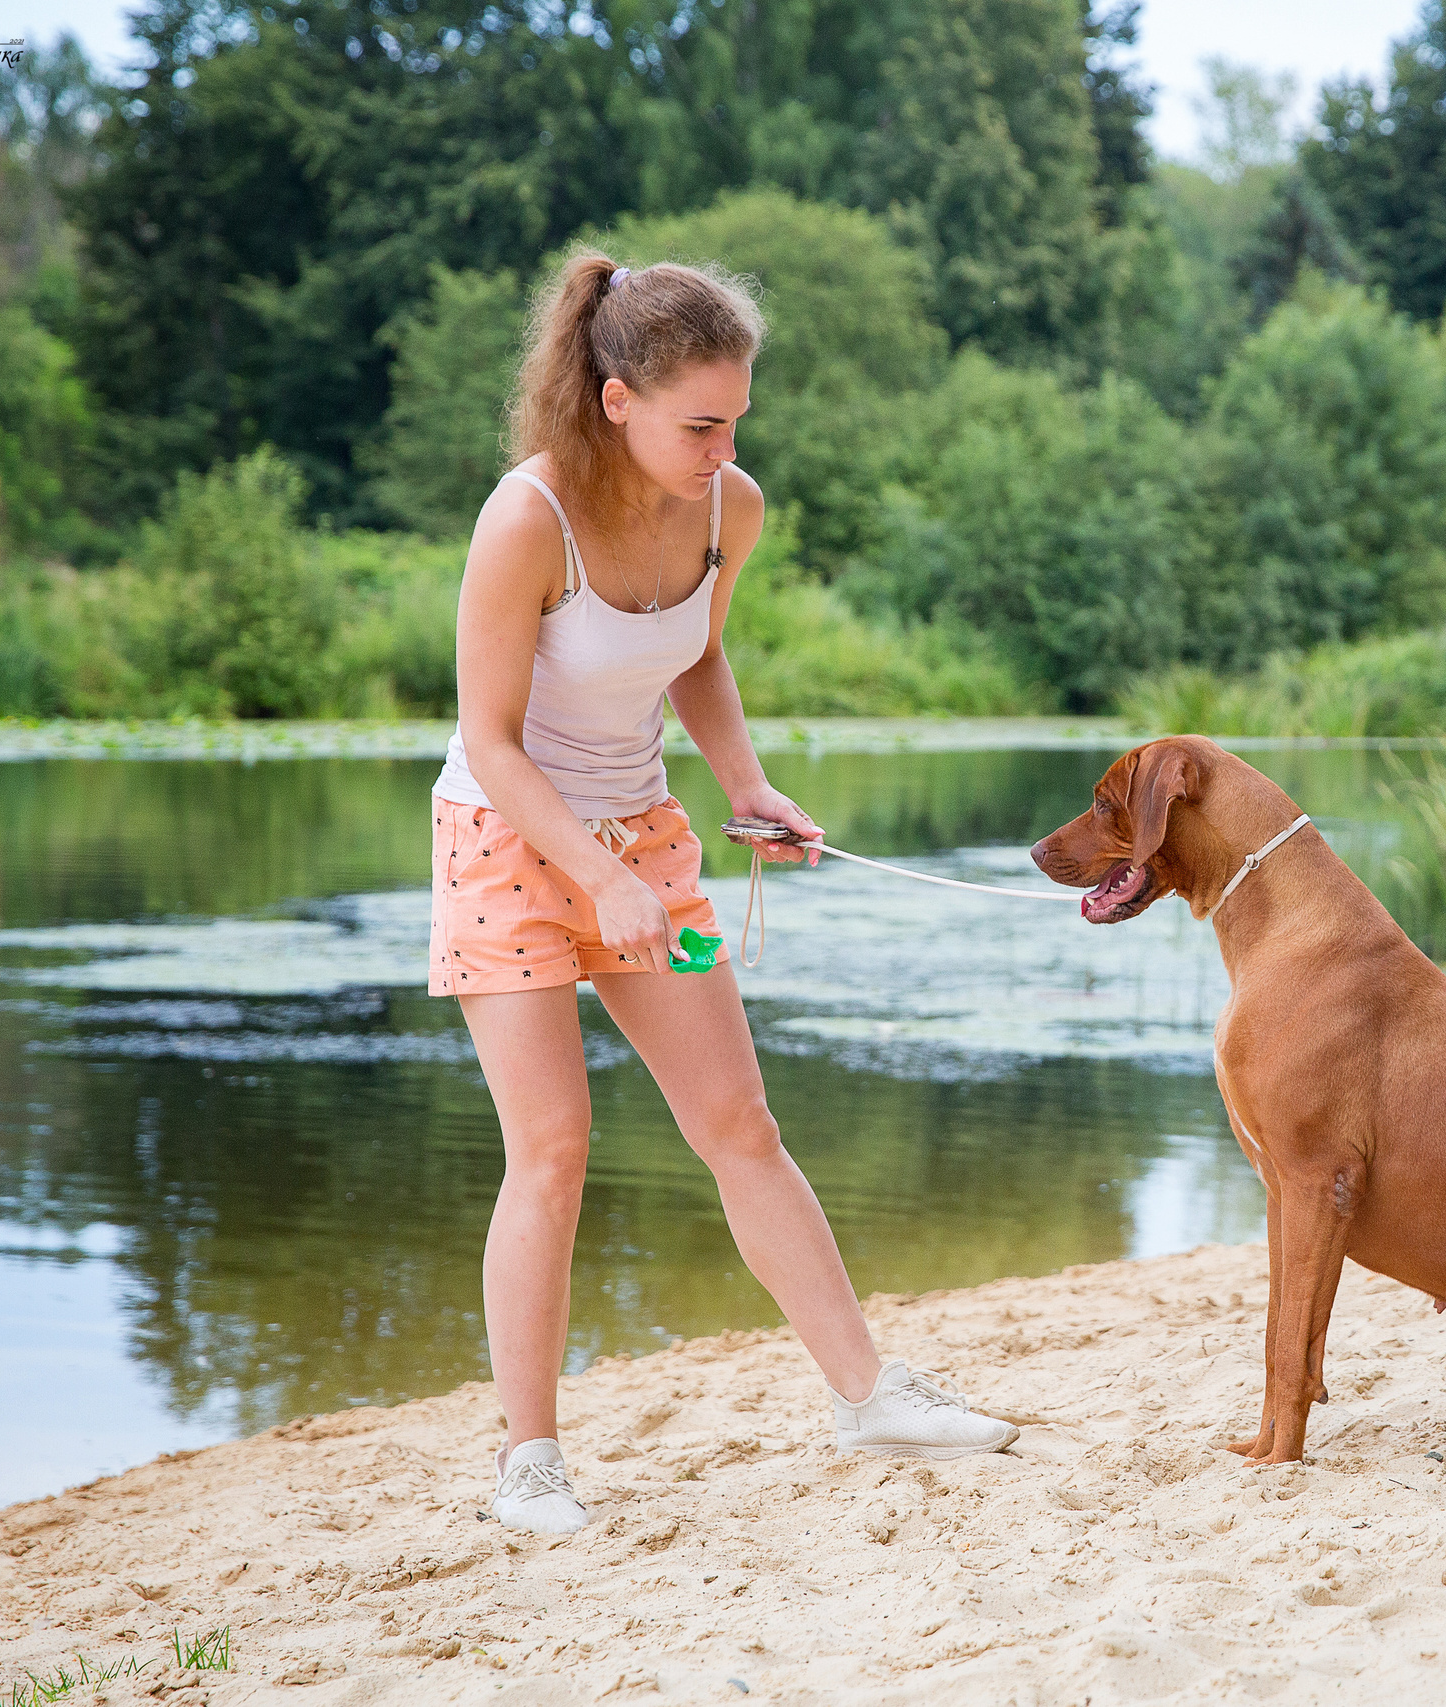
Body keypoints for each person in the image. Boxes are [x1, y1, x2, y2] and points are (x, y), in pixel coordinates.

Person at [429, 251, 1018, 1533]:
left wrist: (746, 787)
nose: (725, 449)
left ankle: (869, 1398)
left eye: (737, 421)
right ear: (615, 401)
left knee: (739, 1122)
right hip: (503, 844)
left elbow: (695, 654)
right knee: (553, 1150)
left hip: (645, 841)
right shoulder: (525, 519)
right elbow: (491, 741)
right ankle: (529, 1464)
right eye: (701, 424)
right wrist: (596, 877)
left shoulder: (723, 509)